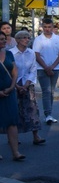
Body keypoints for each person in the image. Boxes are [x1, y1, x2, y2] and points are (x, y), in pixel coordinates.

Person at [10, 31, 45, 145]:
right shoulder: (11, 53)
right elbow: (9, 71)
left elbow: (33, 69)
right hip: (14, 84)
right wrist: (16, 85)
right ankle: (14, 137)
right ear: (18, 40)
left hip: (27, 83)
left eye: (28, 37)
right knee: (15, 110)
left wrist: (26, 84)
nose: (27, 40)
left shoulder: (31, 53)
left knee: (32, 109)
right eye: (24, 38)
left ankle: (35, 135)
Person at [33, 17, 59, 124]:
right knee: (46, 91)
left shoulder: (58, 39)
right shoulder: (38, 39)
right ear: (42, 27)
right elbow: (36, 55)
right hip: (42, 69)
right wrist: (46, 67)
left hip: (55, 68)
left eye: (49, 27)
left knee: (51, 91)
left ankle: (49, 113)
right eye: (45, 27)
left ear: (52, 27)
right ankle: (48, 114)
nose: (47, 29)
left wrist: (52, 67)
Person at [0, 32, 23, 161]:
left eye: (4, 39)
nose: (4, 41)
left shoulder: (8, 53)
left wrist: (12, 86)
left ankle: (16, 152)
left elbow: (14, 72)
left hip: (9, 93)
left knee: (12, 122)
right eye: (1, 39)